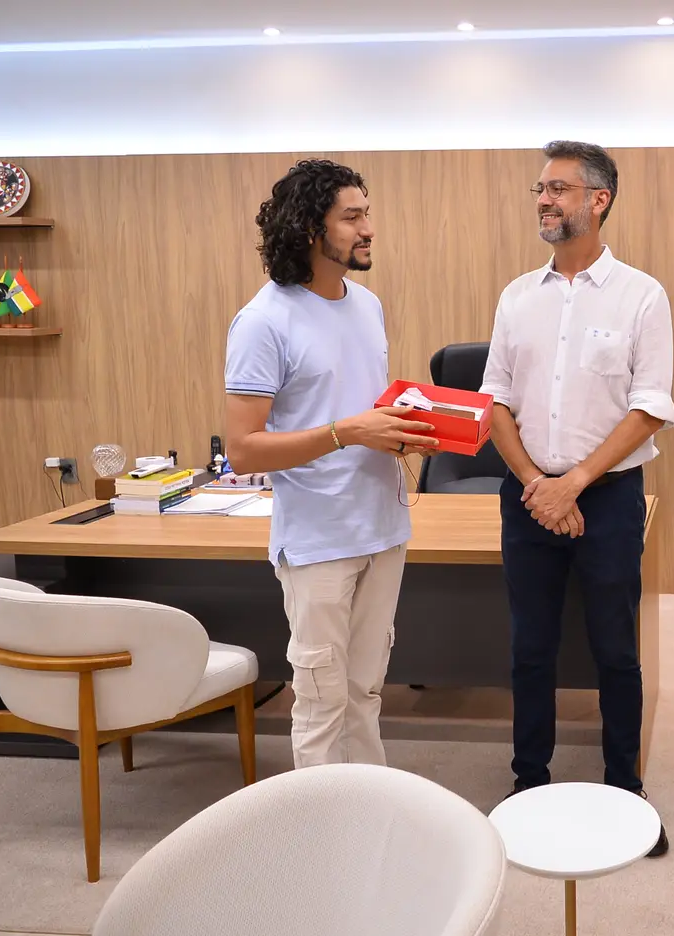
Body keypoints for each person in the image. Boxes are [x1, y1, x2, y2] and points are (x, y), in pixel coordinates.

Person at [480, 141, 674, 855]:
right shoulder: (517, 296)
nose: (543, 199)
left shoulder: (641, 295)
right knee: (529, 647)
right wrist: (539, 484)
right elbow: (494, 401)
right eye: (540, 188)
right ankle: (528, 781)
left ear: (599, 199)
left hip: (609, 498)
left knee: (615, 649)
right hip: (528, 495)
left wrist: (575, 483)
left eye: (558, 188)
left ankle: (626, 789)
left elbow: (650, 408)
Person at [224, 159, 440, 769]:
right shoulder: (263, 321)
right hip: (318, 539)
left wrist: (400, 433)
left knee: (365, 693)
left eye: (366, 213)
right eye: (351, 217)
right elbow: (243, 449)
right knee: (321, 703)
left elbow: (361, 413)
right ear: (308, 228)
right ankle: (317, 825)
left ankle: (364, 812)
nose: (368, 228)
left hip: (384, 527)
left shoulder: (367, 305)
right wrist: (348, 433)